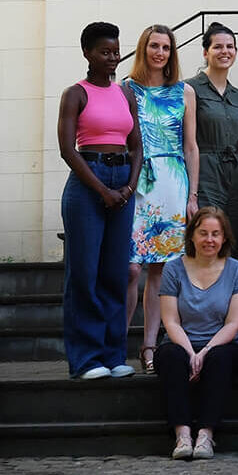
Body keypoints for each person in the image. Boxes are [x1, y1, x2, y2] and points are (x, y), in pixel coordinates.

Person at [58, 22, 142, 380]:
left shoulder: (125, 93)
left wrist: (129, 187)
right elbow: (67, 149)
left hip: (122, 181)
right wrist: (102, 191)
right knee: (85, 273)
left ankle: (113, 354)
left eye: (116, 51)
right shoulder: (76, 94)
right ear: (87, 53)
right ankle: (87, 359)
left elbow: (137, 146)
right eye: (105, 51)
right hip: (87, 182)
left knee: (115, 272)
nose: (113, 57)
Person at [124, 24, 198, 375]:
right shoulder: (127, 88)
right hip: (137, 179)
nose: (160, 53)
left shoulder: (185, 91)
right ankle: (116, 343)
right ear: (144, 48)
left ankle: (149, 346)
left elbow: (191, 146)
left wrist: (192, 195)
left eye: (166, 48)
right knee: (130, 268)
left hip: (172, 180)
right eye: (154, 46)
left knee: (161, 269)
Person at [157, 207, 238, 460]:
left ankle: (206, 435)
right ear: (192, 236)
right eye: (203, 233)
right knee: (171, 357)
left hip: (223, 344)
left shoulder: (237, 270)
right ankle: (183, 435)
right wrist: (191, 353)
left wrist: (205, 351)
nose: (209, 240)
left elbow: (234, 323)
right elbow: (171, 321)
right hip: (180, 342)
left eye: (215, 234)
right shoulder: (173, 269)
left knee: (219, 359)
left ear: (224, 238)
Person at [185, 23, 238, 262]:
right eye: (218, 46)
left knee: (232, 238)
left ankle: (230, 286)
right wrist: (191, 192)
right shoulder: (190, 88)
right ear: (205, 52)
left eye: (230, 46)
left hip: (236, 173)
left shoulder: (237, 95)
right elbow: (187, 141)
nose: (225, 51)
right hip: (205, 170)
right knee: (206, 234)